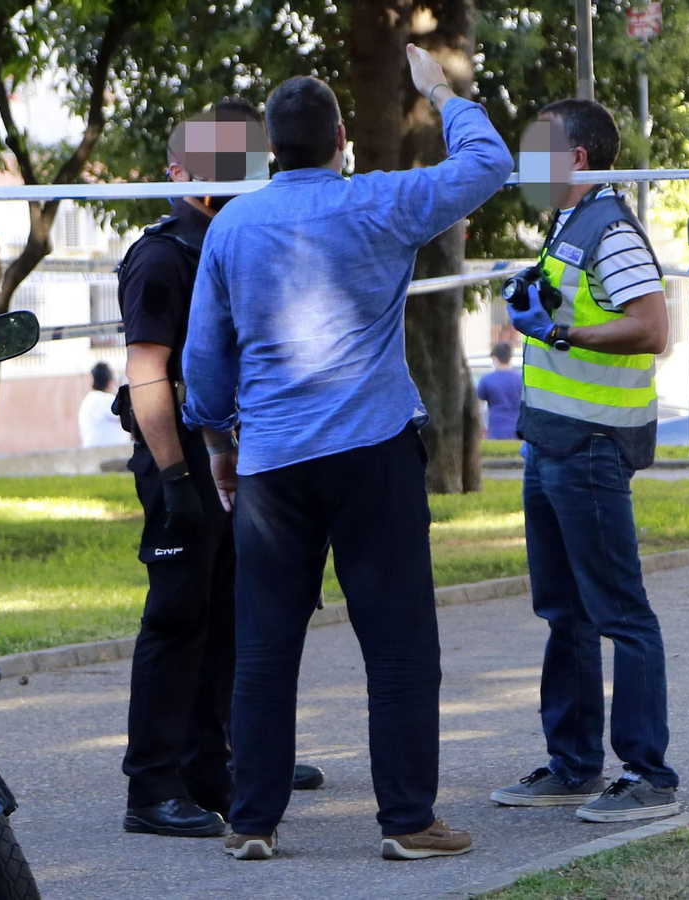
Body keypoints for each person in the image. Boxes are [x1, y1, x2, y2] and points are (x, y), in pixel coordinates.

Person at [182, 48, 512, 861]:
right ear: (339, 139)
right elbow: (490, 162)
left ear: (269, 150)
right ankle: (407, 821)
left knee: (262, 647)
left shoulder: (230, 226)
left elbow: (203, 362)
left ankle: (252, 820)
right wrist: (438, 91)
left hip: (270, 464)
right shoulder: (382, 201)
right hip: (371, 452)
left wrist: (221, 441)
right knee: (399, 643)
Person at [116, 98, 323, 840]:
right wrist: (176, 480)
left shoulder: (235, 241)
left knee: (228, 618)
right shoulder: (162, 254)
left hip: (239, 455)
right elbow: (147, 374)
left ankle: (213, 767)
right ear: (178, 172)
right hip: (183, 460)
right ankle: (152, 786)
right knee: (177, 617)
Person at [487, 99, 678, 823]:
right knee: (563, 611)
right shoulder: (567, 223)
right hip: (552, 441)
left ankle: (650, 776)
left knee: (619, 612)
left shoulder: (612, 227)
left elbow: (652, 328)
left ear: (579, 159)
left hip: (591, 447)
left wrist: (561, 331)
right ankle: (573, 766)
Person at [78, 361, 130, 448]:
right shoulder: (104, 400)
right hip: (110, 455)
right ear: (110, 382)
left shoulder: (90, 399)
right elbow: (130, 413)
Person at [477, 341, 522, 440]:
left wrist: (480, 428)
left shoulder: (487, 380)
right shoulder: (521, 379)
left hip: (496, 430)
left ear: (495, 358)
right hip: (518, 431)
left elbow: (477, 407)